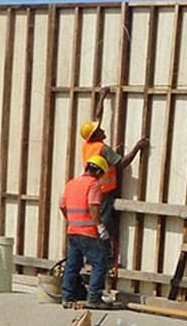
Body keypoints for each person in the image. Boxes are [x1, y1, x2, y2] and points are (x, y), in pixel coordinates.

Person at [79, 90, 148, 250]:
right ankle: (105, 252)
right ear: (95, 135)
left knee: (96, 222)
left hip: (92, 188)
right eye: (99, 130)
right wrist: (137, 147)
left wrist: (102, 97)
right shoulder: (103, 148)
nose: (103, 130)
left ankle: (95, 250)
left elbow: (97, 117)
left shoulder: (88, 145)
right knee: (105, 222)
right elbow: (121, 163)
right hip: (104, 191)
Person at [60, 155, 111, 309]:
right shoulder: (93, 185)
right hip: (88, 232)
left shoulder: (72, 183)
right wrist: (100, 227)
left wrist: (72, 221)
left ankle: (67, 297)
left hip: (73, 231)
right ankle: (94, 298)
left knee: (72, 265)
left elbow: (62, 205)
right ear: (98, 171)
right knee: (100, 264)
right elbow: (93, 207)